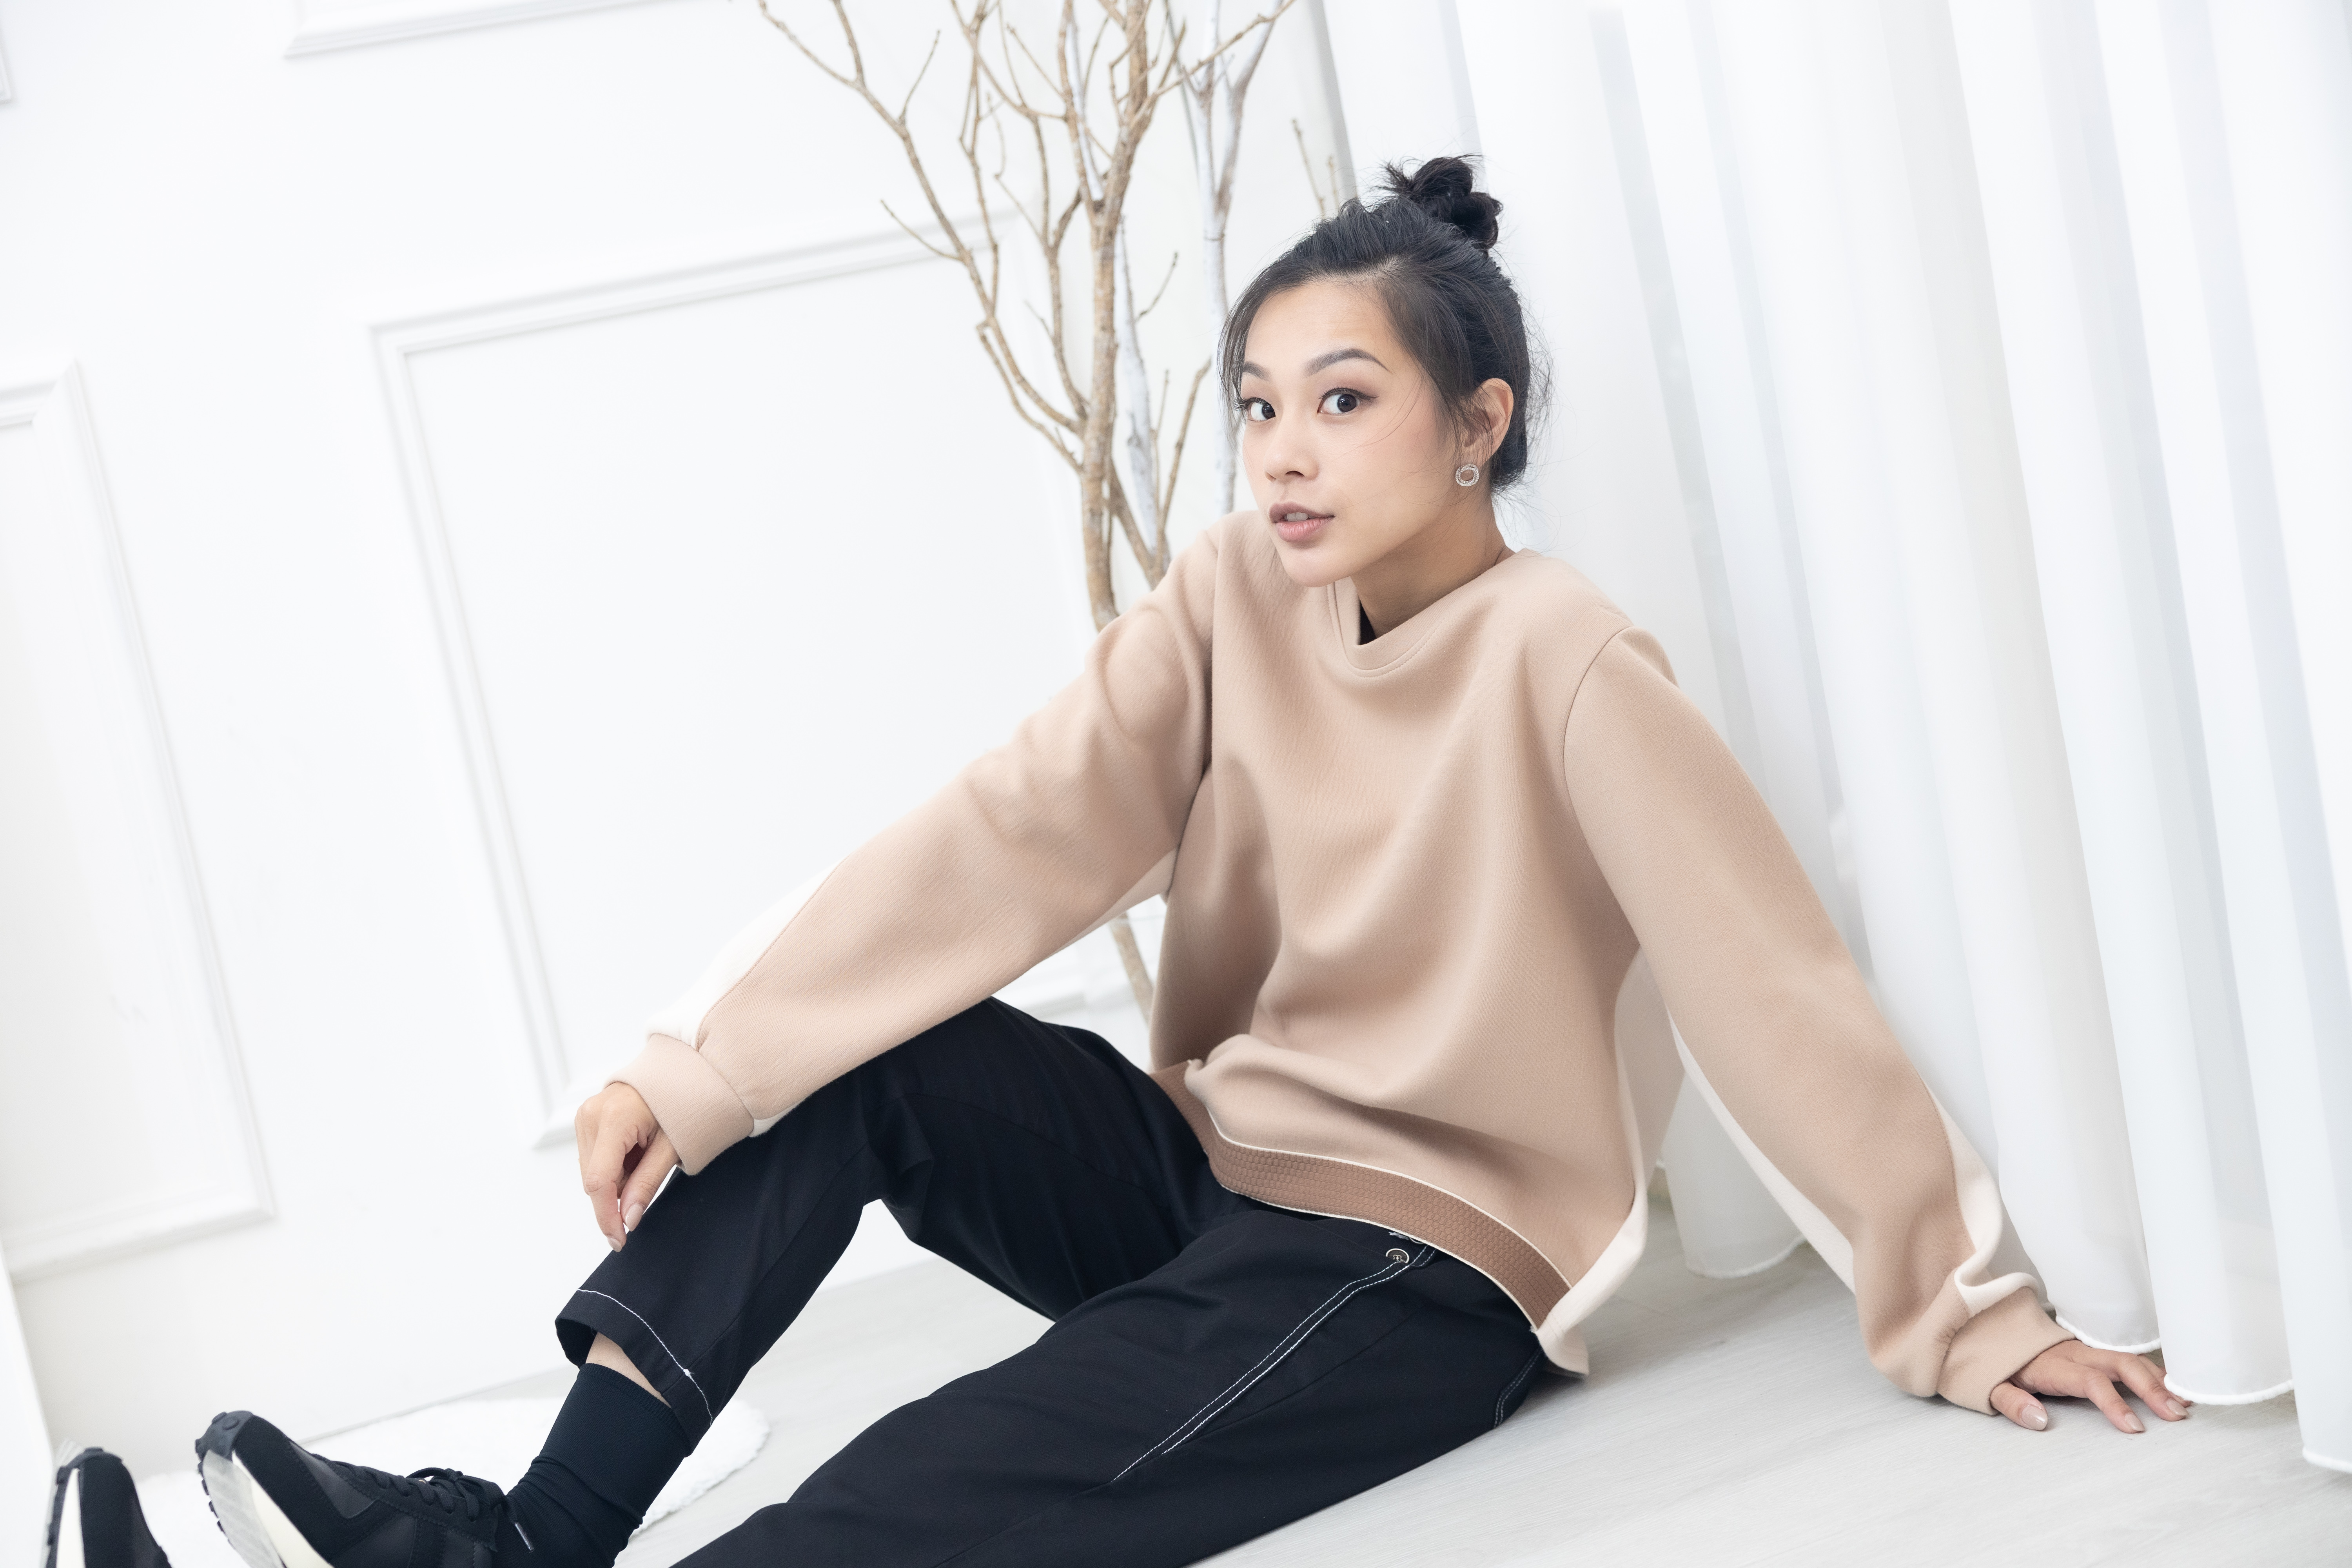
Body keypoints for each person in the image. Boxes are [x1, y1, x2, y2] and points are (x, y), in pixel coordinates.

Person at [51, 158, 2185, 1568]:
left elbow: (1765, 980)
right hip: (1210, 1176)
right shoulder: (1232, 601)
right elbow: (1006, 833)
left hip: (1410, 1276)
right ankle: (527, 1540)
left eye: (1341, 403)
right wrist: (702, 1064)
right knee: (862, 1061)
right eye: (1256, 406)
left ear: (1479, 424)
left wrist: (1962, 1307)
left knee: (927, 1481)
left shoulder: (1567, 659)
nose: (1282, 454)